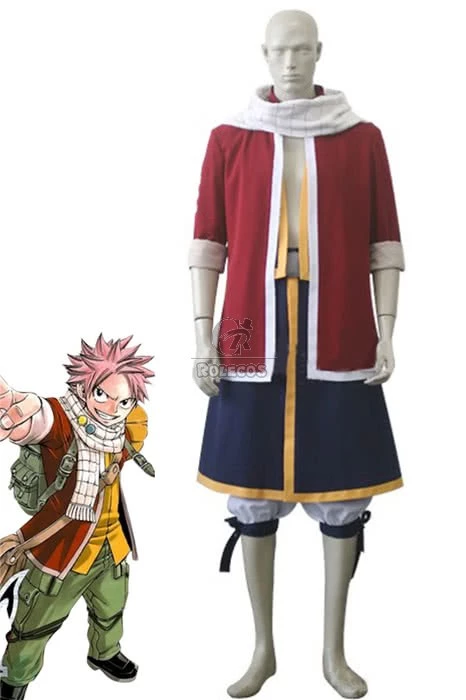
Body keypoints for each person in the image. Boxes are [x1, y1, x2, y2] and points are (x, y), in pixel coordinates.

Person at [189, 10, 405, 698]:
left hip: (338, 322)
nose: (290, 61)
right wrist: (202, 335)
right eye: (280, 49)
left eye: (302, 49)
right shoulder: (231, 138)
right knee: (251, 487)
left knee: (343, 487)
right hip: (249, 327)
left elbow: (383, 241)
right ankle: (262, 649)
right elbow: (208, 244)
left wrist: (388, 330)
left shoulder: (361, 138)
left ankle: (334, 654)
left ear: (319, 52)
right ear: (264, 53)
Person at [0, 335, 154, 699]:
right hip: (64, 552)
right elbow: (43, 418)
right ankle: (13, 679)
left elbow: (132, 433)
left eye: (123, 400)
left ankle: (104, 653)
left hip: (111, 547)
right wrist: (25, 410)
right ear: (84, 387)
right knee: (36, 624)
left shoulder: (124, 426)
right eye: (102, 394)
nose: (112, 408)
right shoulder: (65, 421)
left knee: (111, 609)